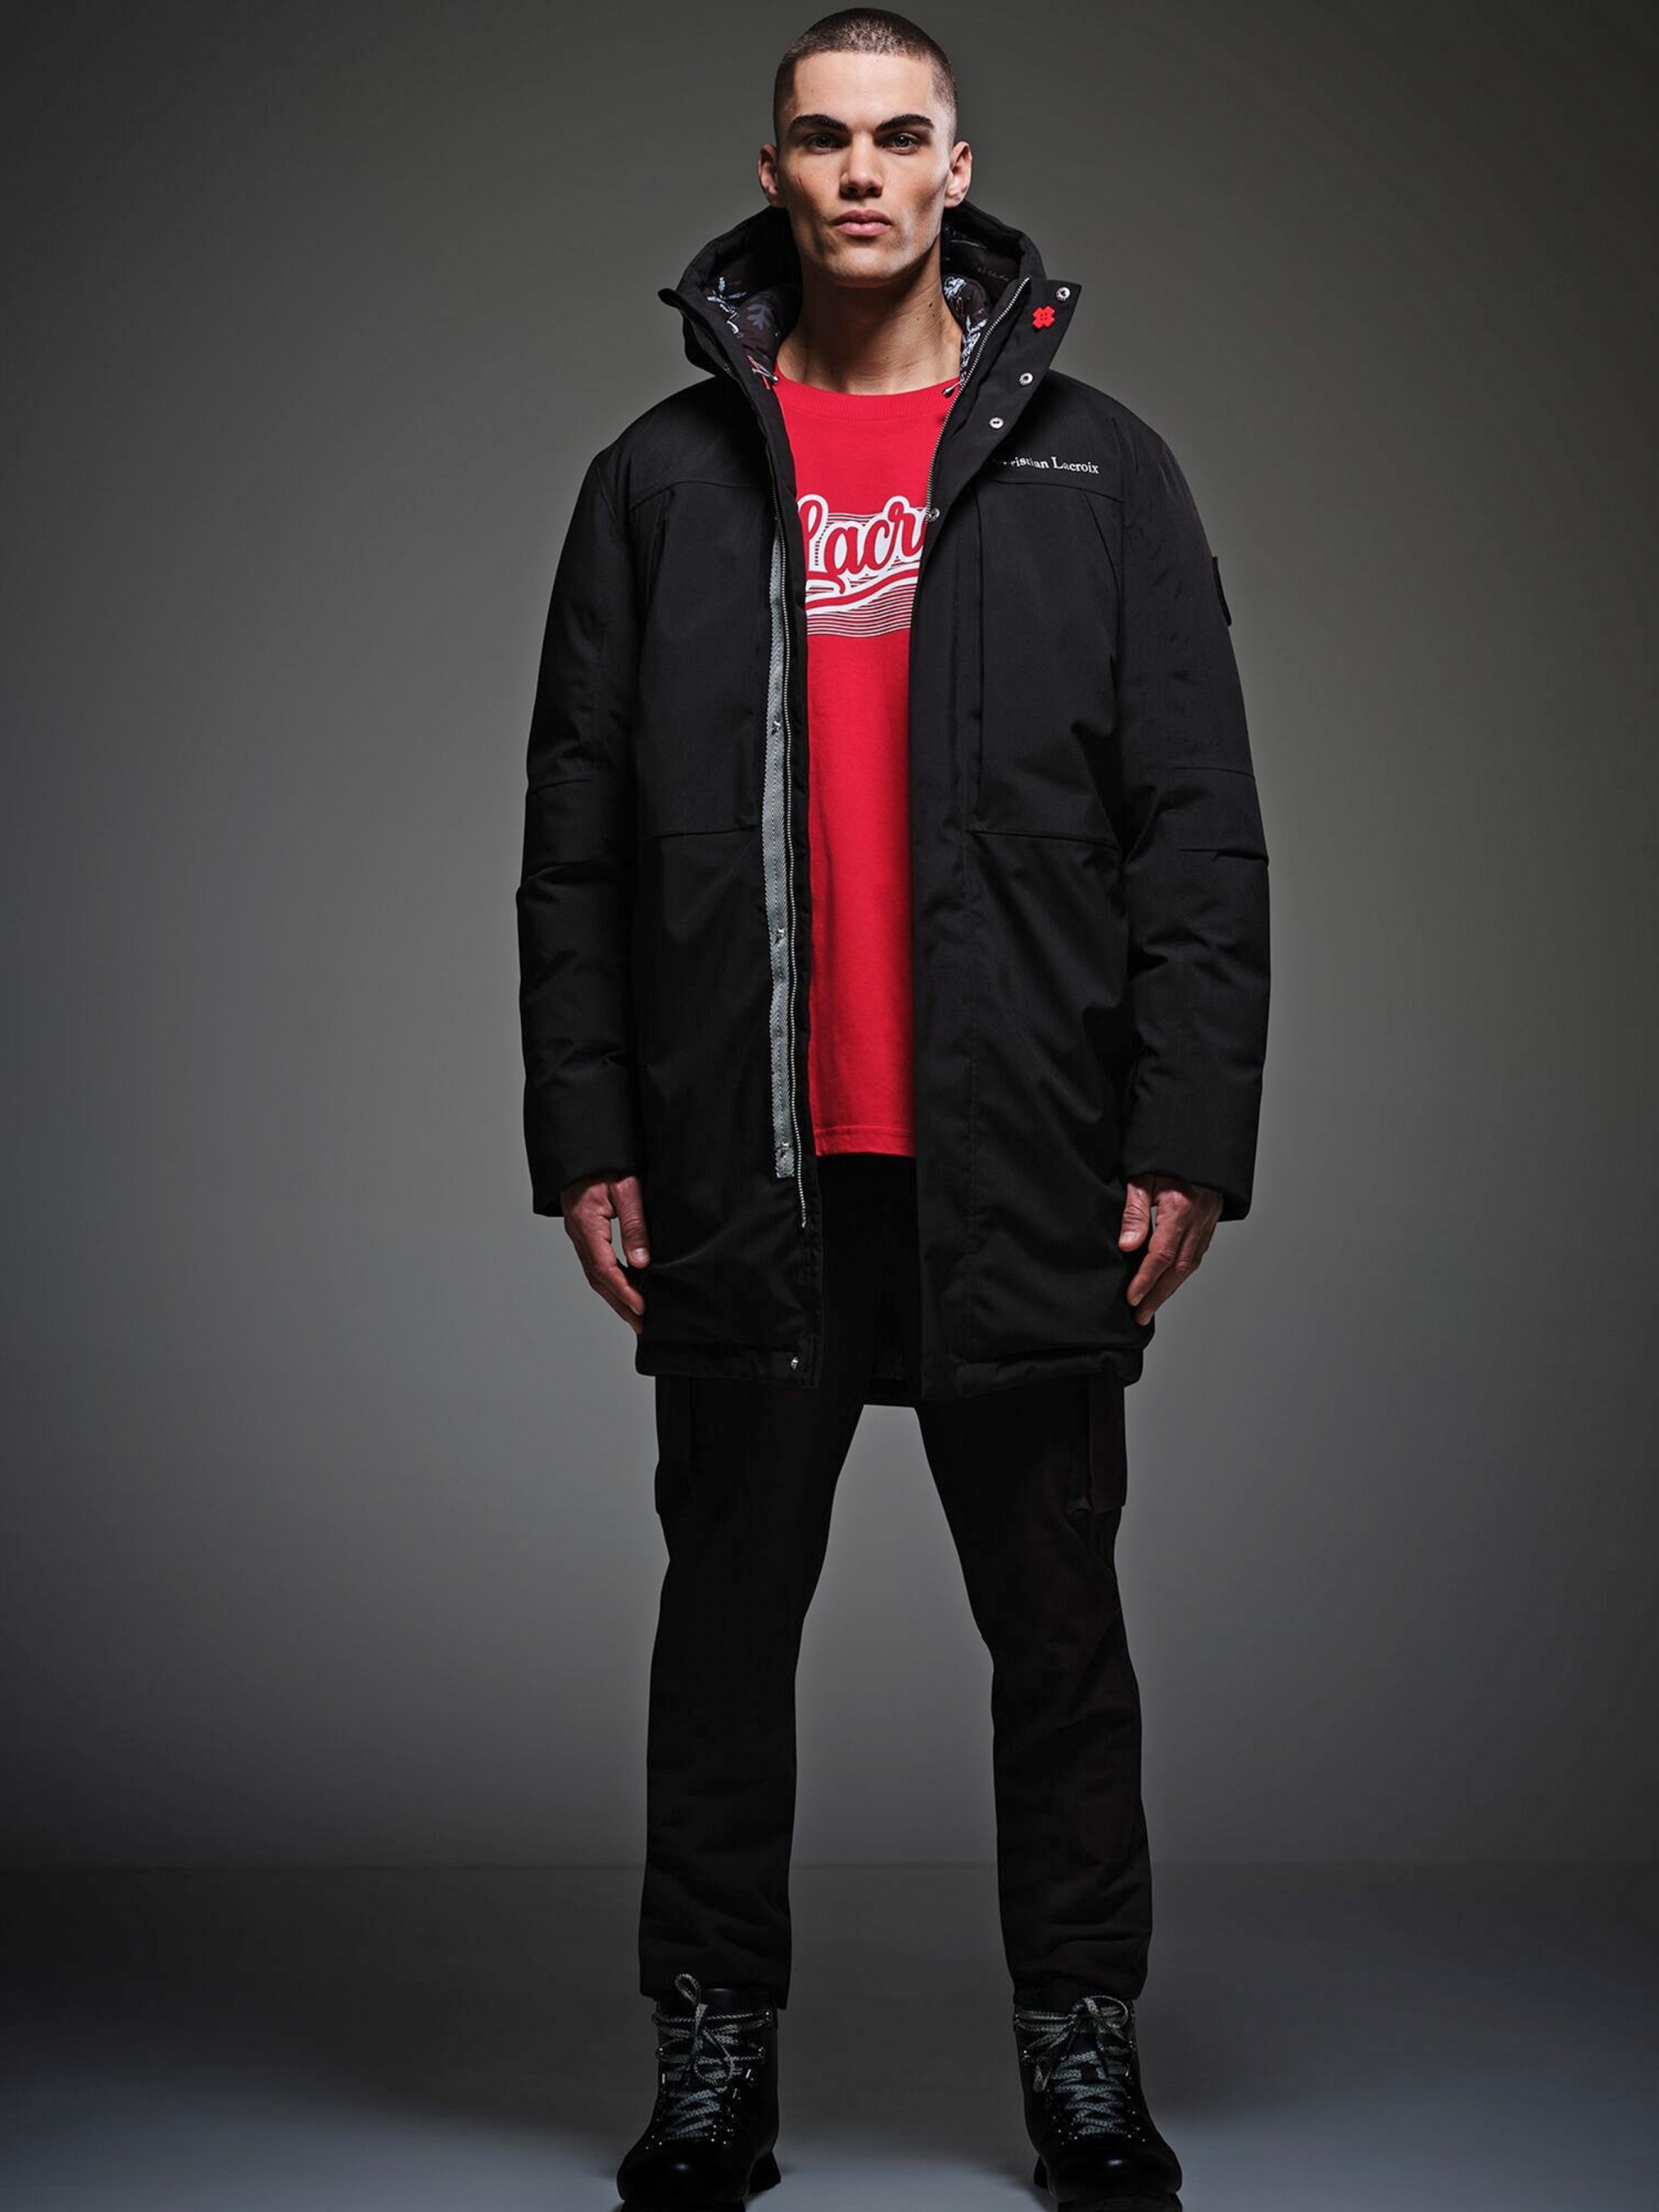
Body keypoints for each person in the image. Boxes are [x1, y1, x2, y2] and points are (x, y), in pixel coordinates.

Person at [514, 11, 1270, 2206]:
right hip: (742, 1166)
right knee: (722, 1636)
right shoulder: (659, 482)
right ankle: (711, 2054)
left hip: (1020, 1160)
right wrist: (587, 1131)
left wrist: (1186, 1128)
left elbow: (1198, 829)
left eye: (898, 136)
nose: (861, 171)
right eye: (822, 138)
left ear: (956, 173)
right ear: (771, 173)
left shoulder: (1102, 475)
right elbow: (573, 845)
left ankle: (1082, 2051)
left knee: (1060, 1639)